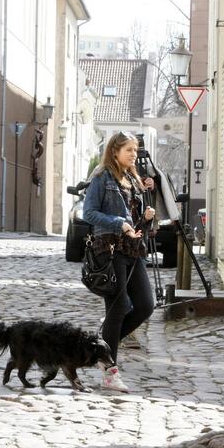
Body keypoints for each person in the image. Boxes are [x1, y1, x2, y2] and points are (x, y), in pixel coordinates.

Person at [83, 131, 156, 392]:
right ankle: (110, 371)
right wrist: (119, 223)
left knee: (146, 304)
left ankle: (99, 346)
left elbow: (134, 219)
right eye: (129, 150)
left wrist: (145, 218)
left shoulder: (133, 179)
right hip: (109, 249)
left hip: (133, 249)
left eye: (135, 151)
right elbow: (88, 213)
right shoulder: (102, 176)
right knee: (119, 306)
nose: (134, 155)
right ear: (115, 151)